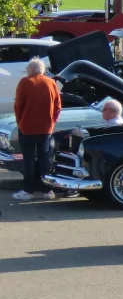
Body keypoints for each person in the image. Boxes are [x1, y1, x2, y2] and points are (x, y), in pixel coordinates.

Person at [12, 58, 62, 201]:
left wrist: (20, 122)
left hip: (27, 128)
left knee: (29, 160)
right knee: (44, 158)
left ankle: (28, 190)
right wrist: (52, 122)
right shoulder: (51, 83)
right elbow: (58, 106)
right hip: (45, 128)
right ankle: (47, 190)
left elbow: (18, 106)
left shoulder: (25, 82)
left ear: (32, 69)